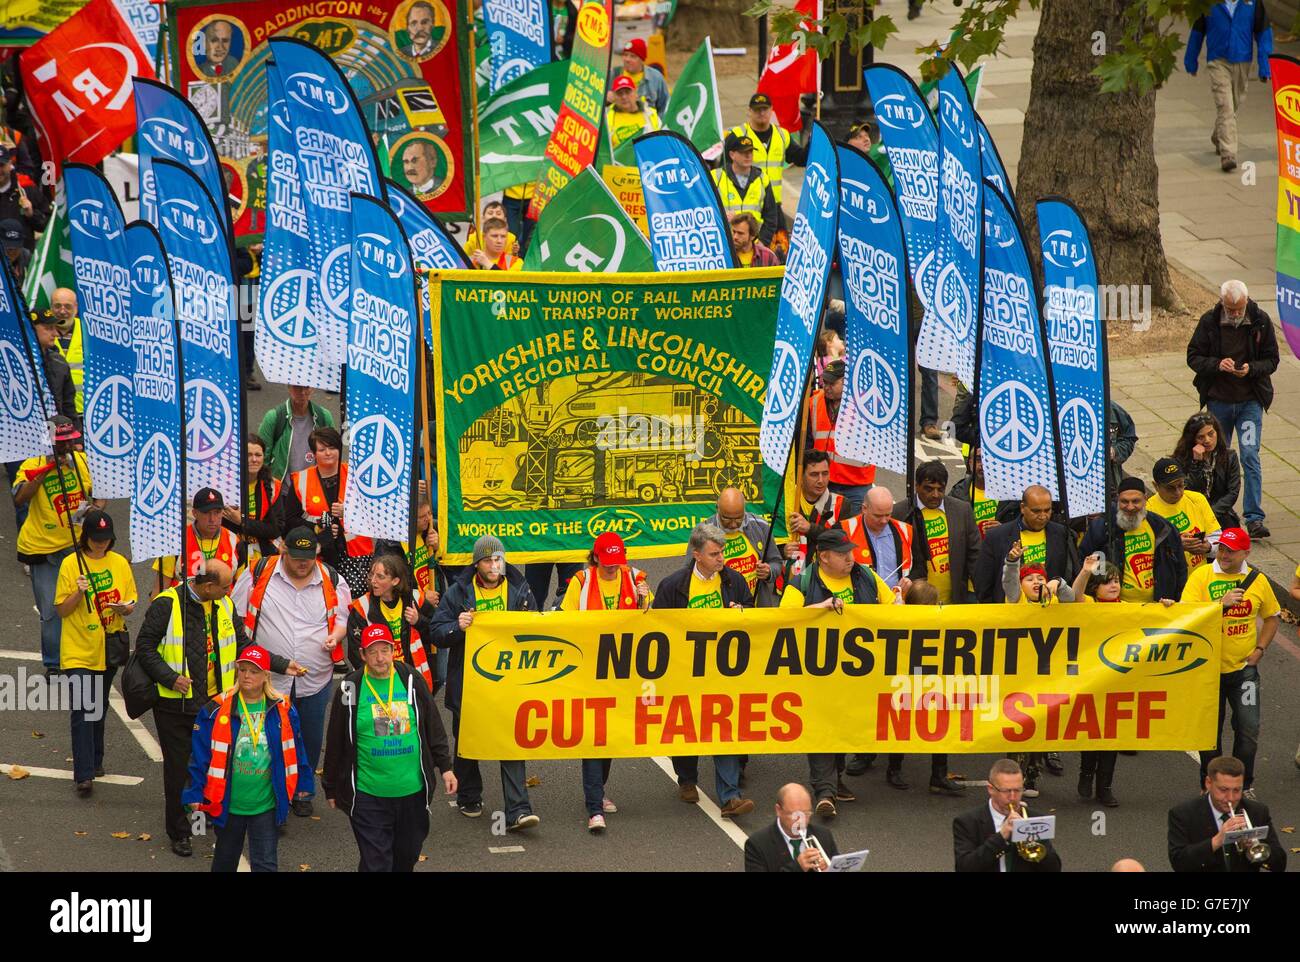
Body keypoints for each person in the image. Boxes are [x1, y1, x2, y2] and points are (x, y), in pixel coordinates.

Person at [135, 560, 296, 856]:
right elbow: (144, 647)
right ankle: (180, 832)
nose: (229, 591)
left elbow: (244, 645)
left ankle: (203, 817)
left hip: (214, 706)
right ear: (207, 586)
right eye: (224, 586)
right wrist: (171, 678)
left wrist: (282, 664)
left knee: (212, 765)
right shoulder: (167, 604)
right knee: (179, 769)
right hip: (175, 706)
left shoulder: (223, 605)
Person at [233, 527, 348, 817]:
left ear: (316, 555)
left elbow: (343, 618)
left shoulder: (332, 580)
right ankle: (271, 790)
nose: (302, 563)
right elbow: (233, 612)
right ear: (283, 550)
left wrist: (336, 635)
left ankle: (302, 790)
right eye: (296, 557)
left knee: (308, 739)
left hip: (315, 678)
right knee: (266, 737)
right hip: (267, 680)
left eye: (307, 558)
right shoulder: (258, 572)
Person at [323, 623, 457, 871]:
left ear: (393, 650)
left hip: (412, 793)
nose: (379, 658)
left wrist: (445, 767)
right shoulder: (349, 687)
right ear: (362, 655)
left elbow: (432, 724)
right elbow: (336, 738)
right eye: (372, 652)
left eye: (384, 650)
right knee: (377, 863)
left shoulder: (410, 678)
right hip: (368, 795)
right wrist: (331, 786)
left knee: (405, 858)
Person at [781, 527, 895, 814]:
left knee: (843, 727)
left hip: (859, 675)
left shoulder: (866, 576)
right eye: (843, 555)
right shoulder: (802, 584)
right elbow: (783, 621)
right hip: (819, 674)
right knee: (822, 729)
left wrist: (900, 599)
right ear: (823, 557)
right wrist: (820, 608)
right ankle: (825, 792)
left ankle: (835, 779)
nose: (850, 559)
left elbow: (893, 608)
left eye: (851, 553)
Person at [430, 536, 540, 828]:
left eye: (499, 560)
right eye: (489, 560)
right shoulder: (458, 592)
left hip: (508, 684)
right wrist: (458, 627)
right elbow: (437, 631)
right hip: (469, 683)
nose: (495, 565)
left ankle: (517, 809)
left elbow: (537, 627)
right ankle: (469, 795)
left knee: (511, 742)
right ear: (477, 563)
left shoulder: (520, 589)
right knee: (468, 741)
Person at [653, 523, 755, 816]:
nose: (721, 558)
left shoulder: (733, 581)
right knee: (686, 728)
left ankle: (730, 796)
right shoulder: (674, 585)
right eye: (714, 554)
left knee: (724, 729)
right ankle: (686, 778)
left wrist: (742, 612)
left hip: (722, 672)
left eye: (721, 552)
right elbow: (659, 628)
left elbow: (751, 611)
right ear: (697, 555)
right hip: (686, 670)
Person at [183, 645, 311, 872]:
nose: (247, 676)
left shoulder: (283, 708)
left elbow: (296, 748)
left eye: (254, 671)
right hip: (228, 803)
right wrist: (194, 792)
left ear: (266, 676)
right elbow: (200, 755)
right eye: (242, 670)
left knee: (266, 864)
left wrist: (304, 782)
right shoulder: (215, 709)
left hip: (266, 804)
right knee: (224, 861)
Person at [559, 532, 650, 831]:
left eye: (618, 562)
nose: (613, 568)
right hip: (589, 671)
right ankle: (594, 807)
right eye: (608, 562)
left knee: (609, 735)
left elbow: (653, 619)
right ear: (595, 558)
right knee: (594, 737)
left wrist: (644, 599)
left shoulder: (635, 578)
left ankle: (598, 791)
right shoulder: (581, 582)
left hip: (622, 672)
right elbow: (564, 620)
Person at [1180, 527, 1278, 796]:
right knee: (1209, 736)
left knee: (1248, 730)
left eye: (1230, 551)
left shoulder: (1257, 581)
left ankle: (1243, 785)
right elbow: (1186, 616)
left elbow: (1272, 617)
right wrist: (1219, 605)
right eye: (1221, 548)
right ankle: (1209, 786)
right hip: (1207, 672)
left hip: (1243, 671)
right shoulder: (1202, 576)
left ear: (1246, 552)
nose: (1223, 554)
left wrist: (1260, 648)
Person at [1186, 279, 1278, 539]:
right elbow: (1193, 356)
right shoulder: (1209, 322)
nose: (1235, 314)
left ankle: (1254, 517)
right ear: (1222, 302)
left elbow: (1272, 359)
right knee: (1216, 456)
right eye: (1230, 309)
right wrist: (1217, 365)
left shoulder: (1260, 321)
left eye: (1239, 309)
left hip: (1250, 401)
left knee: (1250, 454)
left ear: (1246, 303)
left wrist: (1251, 368)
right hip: (1219, 403)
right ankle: (1216, 511)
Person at [54, 510, 135, 795]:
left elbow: (131, 602)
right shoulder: (69, 564)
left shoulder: (120, 564)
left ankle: (95, 760)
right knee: (82, 709)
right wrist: (77, 593)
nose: (101, 544)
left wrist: (124, 608)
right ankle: (84, 774)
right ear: (85, 537)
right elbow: (62, 610)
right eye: (95, 539)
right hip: (78, 649)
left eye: (105, 539)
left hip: (108, 647)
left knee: (97, 707)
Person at [14, 416, 100, 670]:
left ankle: (80, 658)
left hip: (76, 546)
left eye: (69, 442)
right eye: (59, 443)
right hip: (43, 549)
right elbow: (20, 498)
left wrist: (93, 509)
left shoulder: (82, 462)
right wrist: (45, 472)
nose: (65, 448)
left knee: (84, 604)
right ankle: (54, 663)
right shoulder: (33, 464)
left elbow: (101, 495)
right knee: (52, 611)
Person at [282, 426, 373, 594]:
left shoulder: (356, 476)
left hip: (356, 554)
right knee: (322, 600)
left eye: (332, 447)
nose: (328, 453)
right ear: (313, 454)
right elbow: (289, 522)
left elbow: (374, 512)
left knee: (354, 604)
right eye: (322, 449)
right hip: (317, 552)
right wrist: (318, 526)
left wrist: (349, 512)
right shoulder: (301, 479)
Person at [1184, 2, 1272, 171]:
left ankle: (1219, 136)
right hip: (1218, 60)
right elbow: (1197, 32)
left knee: (1234, 104)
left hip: (1243, 61)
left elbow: (1263, 33)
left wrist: (1265, 66)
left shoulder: (1252, 3)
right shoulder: (1209, 4)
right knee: (1225, 106)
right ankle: (1228, 153)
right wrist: (1190, 61)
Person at [1168, 755, 1286, 872]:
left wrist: (1255, 847)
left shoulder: (1257, 811)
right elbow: (1179, 863)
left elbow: (1280, 864)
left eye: (1236, 790)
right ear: (1208, 783)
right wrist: (1217, 841)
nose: (1231, 798)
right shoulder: (1183, 814)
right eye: (1223, 790)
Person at [1080, 477, 1187, 604]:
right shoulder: (1102, 528)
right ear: (1118, 500)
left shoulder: (1163, 528)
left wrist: (1175, 600)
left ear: (1145, 498)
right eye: (1124, 501)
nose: (1130, 507)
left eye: (1136, 501)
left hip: (1158, 608)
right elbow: (1083, 563)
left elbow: (1180, 569)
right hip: (1114, 609)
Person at [346, 553, 437, 696]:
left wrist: (419, 621)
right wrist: (380, 676)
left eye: (380, 577)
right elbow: (355, 652)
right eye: (372, 575)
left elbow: (437, 633)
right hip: (378, 679)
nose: (373, 581)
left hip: (412, 676)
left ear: (395, 581)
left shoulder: (415, 599)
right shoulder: (361, 608)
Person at [1073, 555, 1123, 806]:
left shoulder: (1129, 608)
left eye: (1117, 581)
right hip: (1092, 680)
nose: (1114, 586)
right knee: (1092, 732)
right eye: (1107, 582)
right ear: (1096, 588)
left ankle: (1105, 787)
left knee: (1111, 736)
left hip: (1117, 682)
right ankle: (1086, 772)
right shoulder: (1089, 603)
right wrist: (1085, 571)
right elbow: (1075, 595)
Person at [953, 758, 1062, 872]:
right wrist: (1001, 837)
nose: (1013, 797)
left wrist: (1035, 841)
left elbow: (1054, 868)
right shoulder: (967, 822)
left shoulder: (1034, 819)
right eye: (1006, 791)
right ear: (991, 789)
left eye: (1018, 790)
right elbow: (964, 868)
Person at [974, 485, 1078, 602]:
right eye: (1036, 511)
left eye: (1047, 510)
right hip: (1010, 614)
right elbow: (983, 582)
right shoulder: (997, 536)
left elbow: (1070, 575)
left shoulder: (1062, 534)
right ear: (1023, 508)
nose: (1043, 516)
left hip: (1051, 612)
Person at [896, 460, 980, 604]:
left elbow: (975, 554)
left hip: (954, 601)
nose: (935, 495)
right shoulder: (899, 513)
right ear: (917, 486)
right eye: (929, 489)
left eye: (940, 489)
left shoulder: (962, 510)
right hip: (916, 602)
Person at [806, 360, 876, 515]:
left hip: (856, 485)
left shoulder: (865, 404)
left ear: (846, 382)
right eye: (825, 382)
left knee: (852, 533)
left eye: (832, 383)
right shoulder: (815, 401)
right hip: (825, 481)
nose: (827, 387)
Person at [696, 486, 783, 607]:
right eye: (726, 518)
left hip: (756, 609)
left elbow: (776, 562)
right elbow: (689, 575)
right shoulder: (702, 533)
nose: (733, 524)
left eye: (738, 518)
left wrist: (769, 571)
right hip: (719, 612)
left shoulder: (760, 526)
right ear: (717, 509)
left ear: (744, 510)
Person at [727, 92, 807, 211]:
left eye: (765, 109)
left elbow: (801, 159)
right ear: (749, 111)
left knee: (782, 230)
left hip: (774, 206)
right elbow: (724, 171)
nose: (762, 113)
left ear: (771, 110)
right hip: (747, 206)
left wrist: (814, 138)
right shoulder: (737, 135)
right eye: (757, 109)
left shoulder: (782, 135)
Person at [153, 488, 238, 593]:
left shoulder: (234, 541)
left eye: (217, 512)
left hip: (223, 608)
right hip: (185, 607)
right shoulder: (176, 541)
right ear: (194, 513)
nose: (212, 519)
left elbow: (241, 590)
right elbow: (158, 593)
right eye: (206, 512)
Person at [1146, 457, 1221, 575]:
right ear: (1156, 486)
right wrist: (1175, 545)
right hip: (1169, 582)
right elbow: (1146, 554)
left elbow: (1218, 538)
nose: (1178, 492)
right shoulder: (1148, 511)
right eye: (1170, 488)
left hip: (1199, 579)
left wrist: (1208, 547)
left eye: (1181, 485)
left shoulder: (1197, 499)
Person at [225, 433, 288, 575]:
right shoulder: (226, 486)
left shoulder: (273, 485)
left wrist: (242, 522)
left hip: (265, 553)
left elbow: (276, 528)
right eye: (248, 455)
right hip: (233, 552)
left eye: (258, 455)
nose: (253, 459)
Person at [744, 783, 840, 872]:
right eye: (795, 815)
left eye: (806, 814)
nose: (800, 821)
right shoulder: (757, 844)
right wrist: (797, 867)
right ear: (778, 810)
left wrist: (829, 869)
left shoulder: (824, 835)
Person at [783, 449, 846, 582]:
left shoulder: (841, 504)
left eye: (825, 474)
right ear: (800, 476)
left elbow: (842, 542)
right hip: (789, 580)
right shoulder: (786, 501)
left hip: (825, 580)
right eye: (814, 474)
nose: (821, 480)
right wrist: (783, 550)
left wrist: (810, 528)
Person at [837, 487, 912, 595]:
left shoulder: (906, 531)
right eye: (878, 516)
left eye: (888, 515)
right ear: (864, 509)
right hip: (862, 601)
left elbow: (919, 567)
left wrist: (910, 579)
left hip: (897, 600)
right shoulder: (844, 530)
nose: (884, 521)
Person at [1173, 410, 1242, 528]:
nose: (1207, 440)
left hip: (1218, 513)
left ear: (1217, 433)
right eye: (1201, 437)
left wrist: (1210, 514)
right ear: (1193, 439)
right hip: (1191, 513)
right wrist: (1196, 463)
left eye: (1211, 434)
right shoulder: (1182, 459)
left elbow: (1233, 492)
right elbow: (1189, 490)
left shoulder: (1229, 456)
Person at [711, 132, 780, 247]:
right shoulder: (715, 177)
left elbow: (771, 216)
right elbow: (707, 209)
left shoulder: (762, 179)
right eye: (743, 152)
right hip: (725, 245)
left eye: (750, 152)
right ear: (732, 155)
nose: (748, 156)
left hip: (753, 247)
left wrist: (762, 243)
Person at [256, 385, 335, 483]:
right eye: (297, 387)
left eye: (306, 387)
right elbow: (262, 456)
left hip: (315, 490)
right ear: (289, 388)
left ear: (312, 389)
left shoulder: (324, 416)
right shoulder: (274, 417)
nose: (302, 392)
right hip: (282, 491)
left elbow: (333, 453)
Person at [31, 310, 78, 424]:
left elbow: (68, 406)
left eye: (55, 328)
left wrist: (77, 438)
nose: (55, 333)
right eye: (48, 328)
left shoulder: (59, 362)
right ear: (31, 329)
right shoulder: (16, 361)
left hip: (56, 432)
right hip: (25, 432)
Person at [0, 142, 48, 252]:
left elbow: (48, 225)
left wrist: (32, 215)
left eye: (1, 165)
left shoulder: (27, 189)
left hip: (23, 261)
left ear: (10, 164)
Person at [947, 446, 1000, 541]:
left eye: (987, 459)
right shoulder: (958, 493)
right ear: (970, 463)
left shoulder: (1008, 493)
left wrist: (1003, 529)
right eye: (979, 459)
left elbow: (1020, 525)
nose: (983, 464)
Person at [606, 74, 661, 156]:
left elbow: (660, 140)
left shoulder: (651, 114)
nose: (624, 97)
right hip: (621, 167)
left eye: (627, 92)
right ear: (614, 96)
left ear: (636, 92)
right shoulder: (607, 119)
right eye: (619, 93)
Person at [609, 38, 668, 114]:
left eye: (632, 56)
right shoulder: (613, 75)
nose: (627, 59)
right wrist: (605, 100)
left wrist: (657, 124)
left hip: (646, 124)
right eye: (625, 55)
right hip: (618, 124)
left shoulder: (655, 78)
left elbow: (665, 107)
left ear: (642, 60)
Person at [49, 287, 83, 415]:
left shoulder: (88, 332)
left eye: (67, 306)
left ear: (76, 308)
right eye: (57, 306)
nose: (62, 311)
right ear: (51, 307)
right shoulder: (40, 334)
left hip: (82, 411)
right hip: (53, 413)